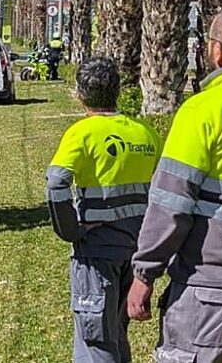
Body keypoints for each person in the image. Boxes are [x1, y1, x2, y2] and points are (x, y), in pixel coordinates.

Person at [127, 6, 222, 362]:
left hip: (210, 292)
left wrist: (145, 273)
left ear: (217, 51)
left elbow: (170, 203)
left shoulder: (202, 111)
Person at [46, 57, 161, 363]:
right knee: (116, 332)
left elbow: (56, 182)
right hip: (136, 251)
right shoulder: (145, 132)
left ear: (80, 93)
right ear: (118, 91)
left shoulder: (82, 133)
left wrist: (70, 230)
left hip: (97, 252)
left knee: (95, 340)